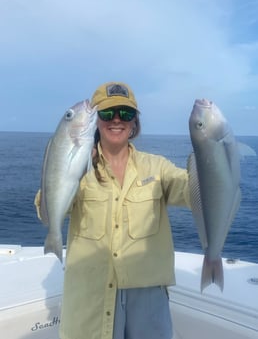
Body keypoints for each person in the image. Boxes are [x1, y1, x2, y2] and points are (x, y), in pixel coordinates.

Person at [35, 81, 191, 339]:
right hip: (90, 297)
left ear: (134, 123)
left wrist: (211, 158)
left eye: (126, 113)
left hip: (148, 298)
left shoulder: (158, 167)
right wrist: (57, 164)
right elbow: (46, 214)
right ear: (96, 120)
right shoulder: (80, 168)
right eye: (107, 113)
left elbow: (191, 191)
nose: (116, 120)